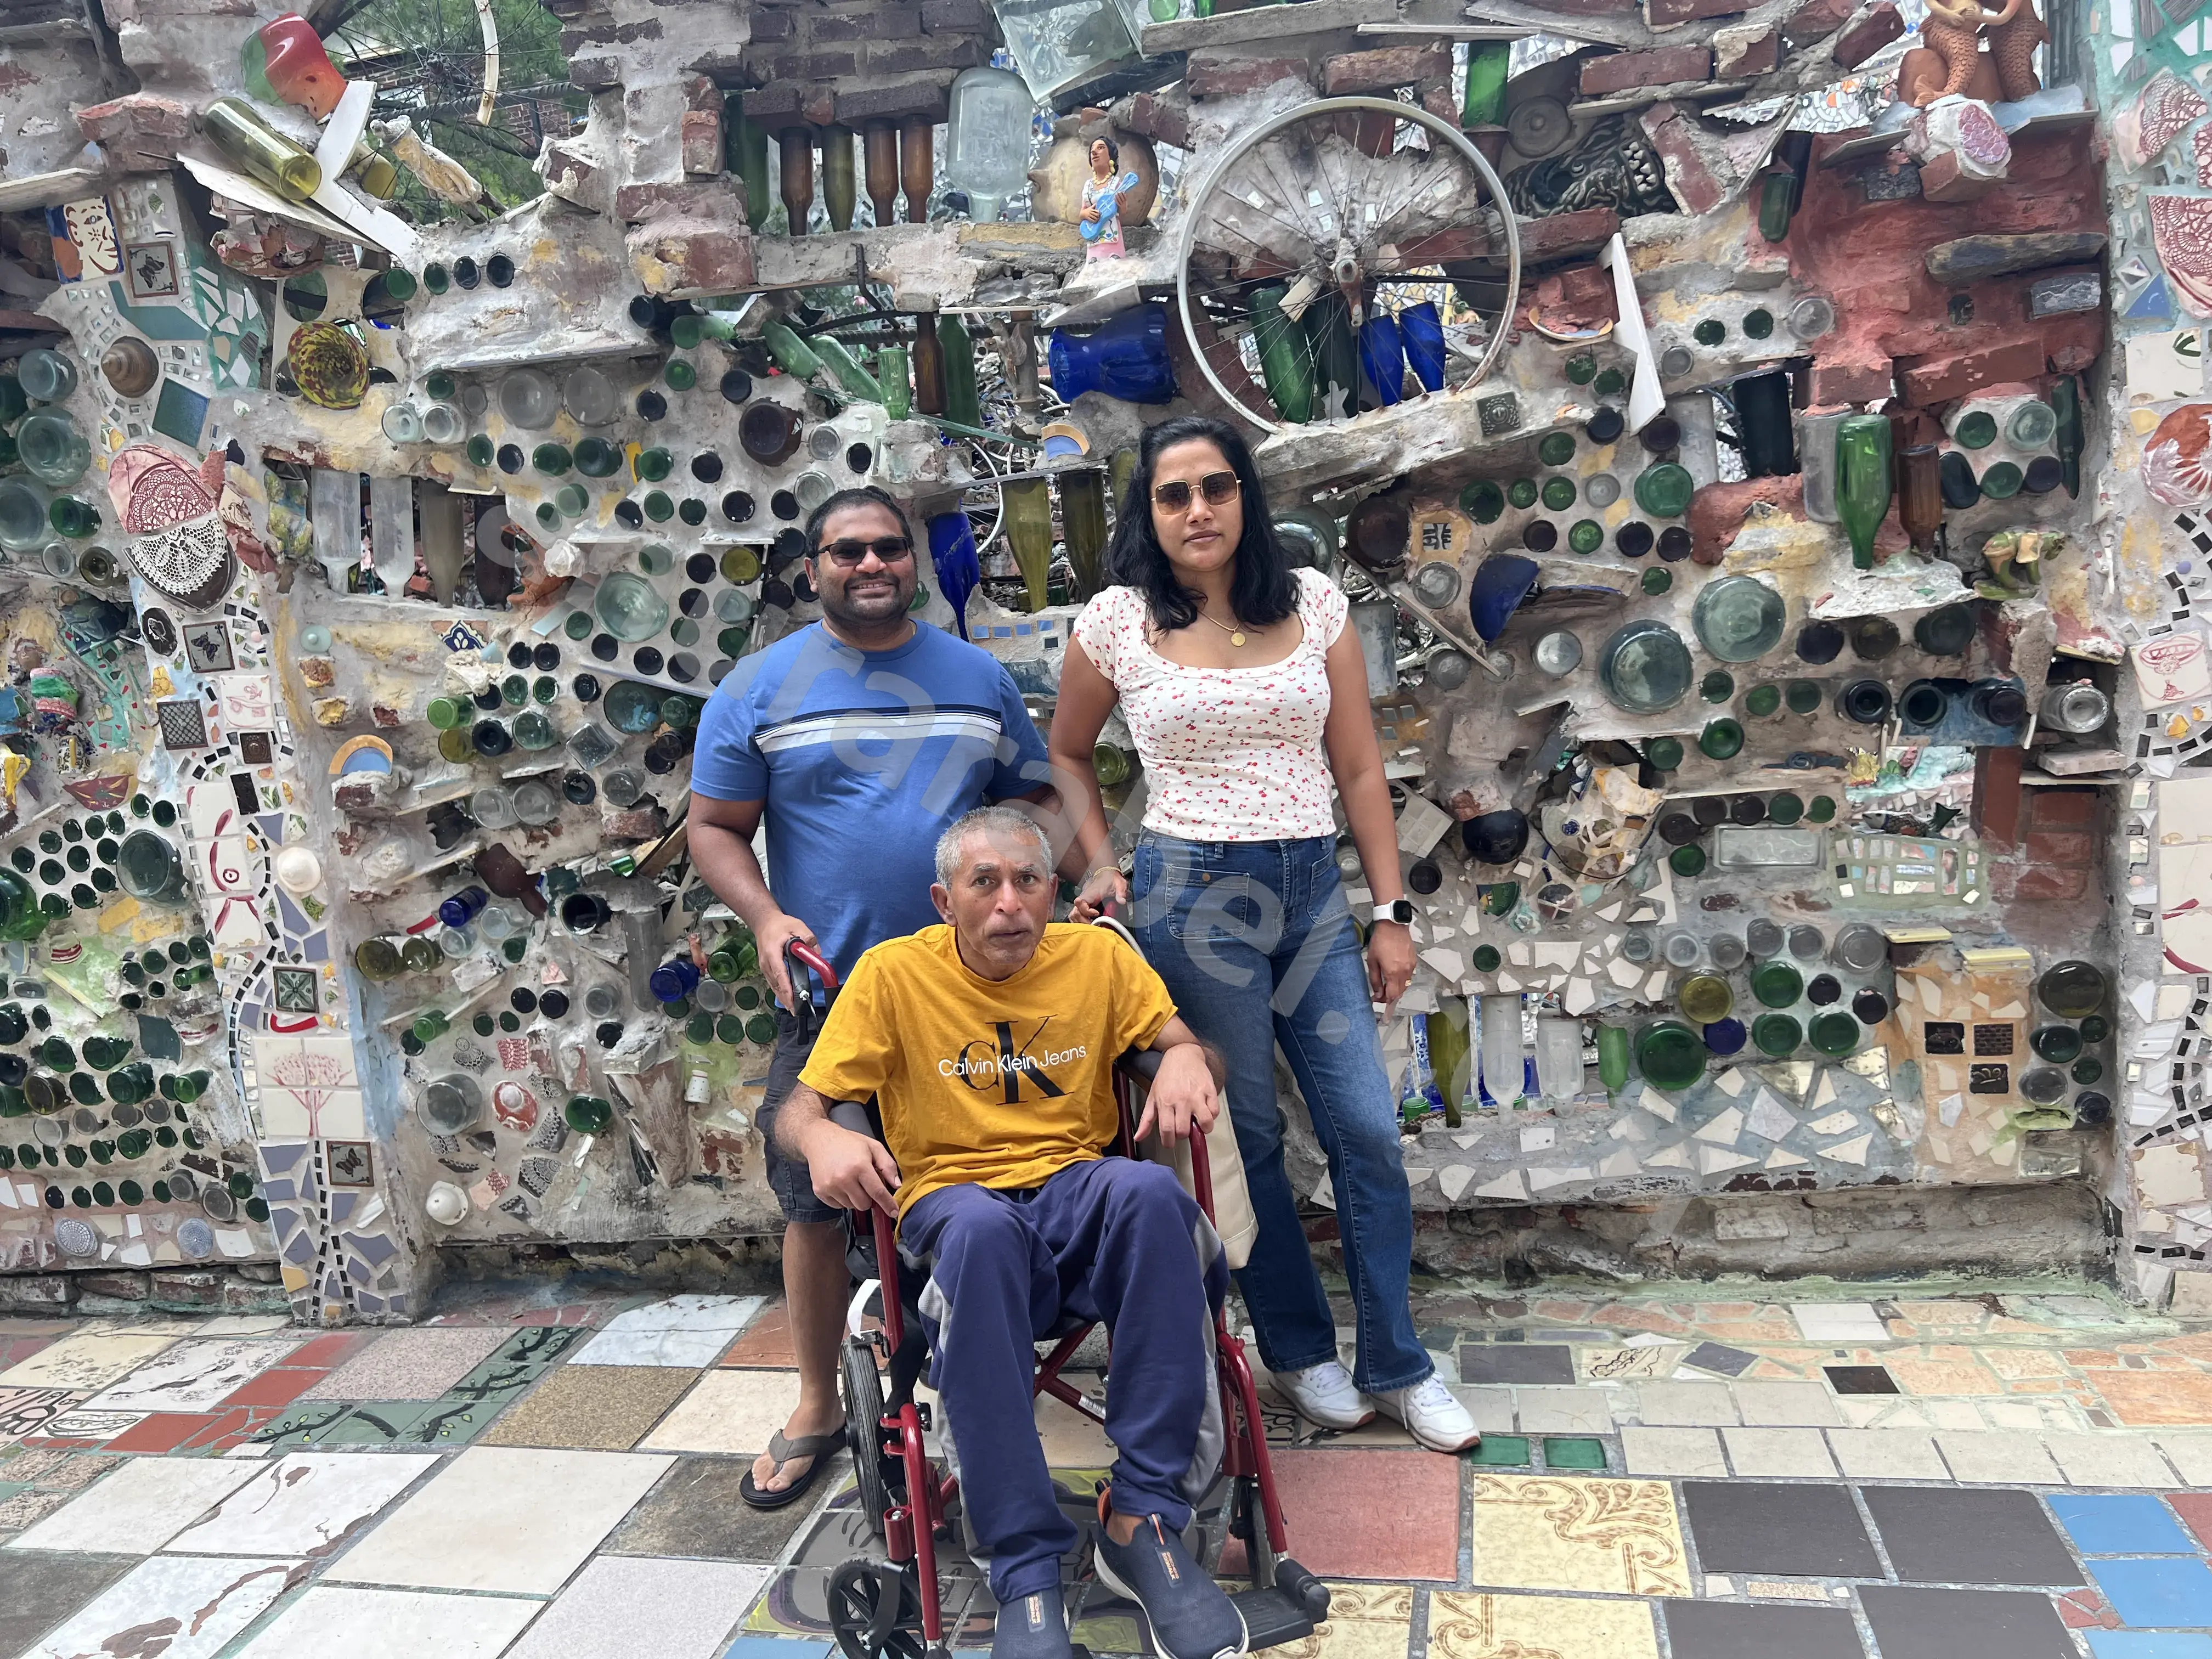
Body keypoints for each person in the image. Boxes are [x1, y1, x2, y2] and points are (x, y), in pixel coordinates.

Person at [1048, 415, 1478, 1455]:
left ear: (1244, 495)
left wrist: (1389, 912)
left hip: (1311, 895)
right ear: (1147, 513)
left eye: (1215, 487)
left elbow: (1363, 769)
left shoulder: (1314, 601)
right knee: (1246, 1140)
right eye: (1172, 494)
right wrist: (1103, 863)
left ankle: (1398, 1364)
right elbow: (1065, 752)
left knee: (1367, 1131)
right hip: (1191, 896)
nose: (1197, 510)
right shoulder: (1115, 621)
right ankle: (1296, 1344)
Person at [778, 808, 1248, 1659]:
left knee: (1149, 1194)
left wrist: (1188, 1058)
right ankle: (1025, 1566)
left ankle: (1142, 1517)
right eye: (983, 883)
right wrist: (821, 1138)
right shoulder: (891, 975)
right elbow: (803, 1106)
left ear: (1053, 891)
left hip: (1074, 1189)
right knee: (984, 1231)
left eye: (1028, 881)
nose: (1008, 904)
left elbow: (1181, 1048)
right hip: (956, 1204)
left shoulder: (1098, 958)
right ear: (943, 899)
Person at [690, 486, 1056, 1510]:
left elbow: (1033, 799)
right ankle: (815, 1399)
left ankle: (992, 1353)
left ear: (915, 561)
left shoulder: (979, 678)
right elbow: (714, 825)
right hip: (838, 993)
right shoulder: (758, 686)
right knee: (808, 1197)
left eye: (890, 546)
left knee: (1009, 1168)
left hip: (978, 996)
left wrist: (1046, 892)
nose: (870, 563)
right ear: (813, 567)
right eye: (846, 549)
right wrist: (765, 918)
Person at [1080, 135, 1127, 261]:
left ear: (1110, 157)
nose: (1095, 152)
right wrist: (1086, 213)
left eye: (1101, 148)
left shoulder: (1116, 184)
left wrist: (1122, 205)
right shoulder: (1088, 186)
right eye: (1092, 151)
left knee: (1115, 262)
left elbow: (1123, 213)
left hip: (1112, 236)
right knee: (1093, 263)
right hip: (1093, 236)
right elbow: (1082, 211)